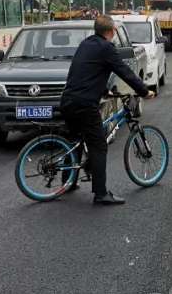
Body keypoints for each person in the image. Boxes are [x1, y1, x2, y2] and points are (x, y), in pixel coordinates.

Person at [60, 15, 154, 205]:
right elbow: (124, 71)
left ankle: (68, 182)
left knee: (75, 140)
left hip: (68, 101)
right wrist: (143, 91)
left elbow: (85, 73)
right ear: (111, 32)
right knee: (99, 146)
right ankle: (101, 193)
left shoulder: (85, 44)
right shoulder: (106, 48)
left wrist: (105, 91)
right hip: (85, 104)